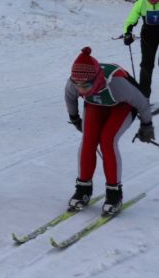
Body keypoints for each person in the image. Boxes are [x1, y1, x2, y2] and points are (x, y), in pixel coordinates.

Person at [65, 47, 153, 215]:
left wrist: (146, 126)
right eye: (78, 85)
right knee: (88, 141)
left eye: (86, 85)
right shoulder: (74, 82)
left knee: (107, 141)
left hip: (122, 106)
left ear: (96, 78)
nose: (81, 89)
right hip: (95, 105)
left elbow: (142, 102)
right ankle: (83, 189)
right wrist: (75, 118)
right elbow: (70, 97)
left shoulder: (117, 83)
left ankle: (114, 194)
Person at [123, 0, 159, 98]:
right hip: (148, 34)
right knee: (146, 64)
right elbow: (130, 20)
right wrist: (127, 33)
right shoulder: (140, 3)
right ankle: (144, 96)